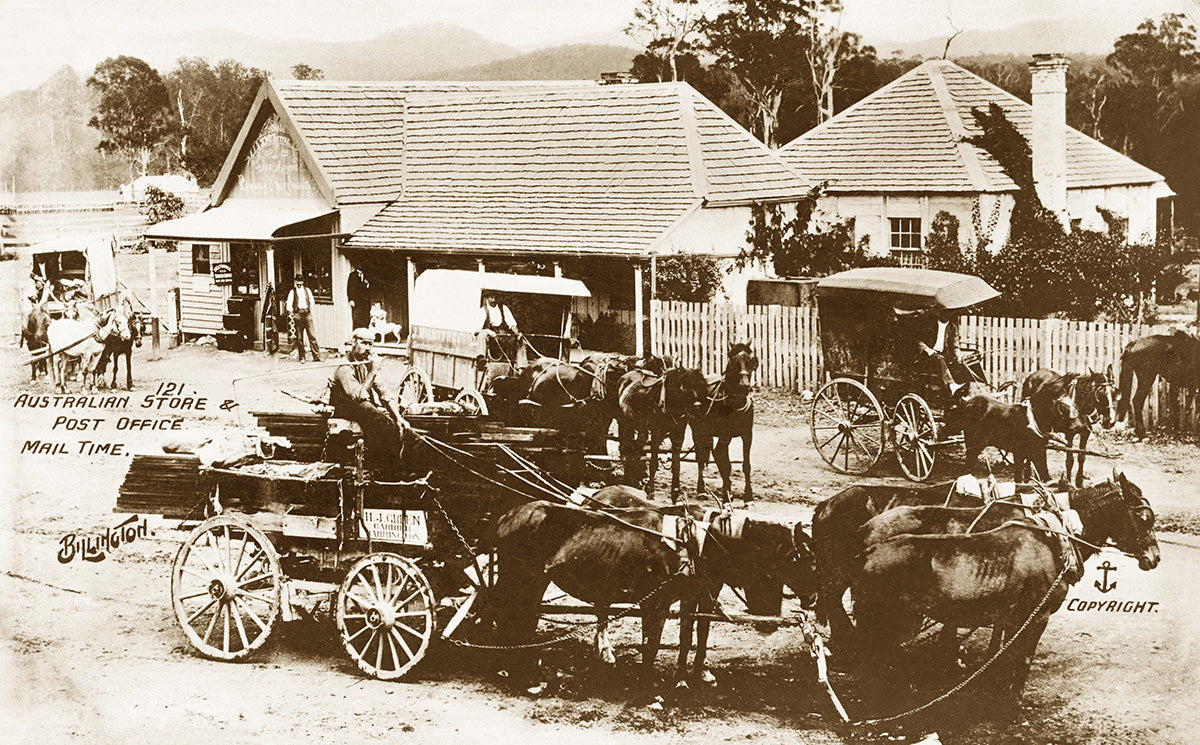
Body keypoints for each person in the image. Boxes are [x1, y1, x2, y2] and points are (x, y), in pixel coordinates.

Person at [329, 328, 408, 468]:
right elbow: (359, 397)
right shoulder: (344, 366)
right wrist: (373, 371)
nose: (368, 348)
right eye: (364, 343)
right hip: (345, 408)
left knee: (389, 414)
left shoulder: (366, 362)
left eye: (371, 344)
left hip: (361, 408)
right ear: (353, 342)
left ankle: (389, 459)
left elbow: (383, 391)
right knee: (373, 413)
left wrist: (398, 417)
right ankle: (389, 464)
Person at [286, 274, 321, 362]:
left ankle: (316, 356)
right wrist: (294, 312)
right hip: (298, 314)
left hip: (307, 314)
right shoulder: (292, 292)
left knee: (312, 336)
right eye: (297, 281)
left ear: (303, 282)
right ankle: (302, 357)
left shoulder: (307, 290)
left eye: (300, 281)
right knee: (299, 338)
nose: (299, 283)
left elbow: (312, 301)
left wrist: (309, 308)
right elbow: (288, 305)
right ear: (295, 282)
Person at [479, 291, 520, 361]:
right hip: (490, 338)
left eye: (496, 298)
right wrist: (488, 331)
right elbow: (476, 331)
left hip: (502, 336)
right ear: (487, 298)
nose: (494, 300)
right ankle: (480, 358)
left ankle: (522, 366)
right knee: (482, 335)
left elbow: (512, 323)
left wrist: (517, 333)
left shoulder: (503, 308)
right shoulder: (483, 310)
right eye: (491, 298)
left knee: (520, 339)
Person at [346, 267, 371, 331]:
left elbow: (370, 288)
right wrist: (351, 299)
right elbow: (349, 288)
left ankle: (365, 338)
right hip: (356, 302)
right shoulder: (352, 275)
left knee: (366, 319)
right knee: (357, 319)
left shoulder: (367, 275)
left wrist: (367, 284)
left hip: (365, 302)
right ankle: (357, 338)